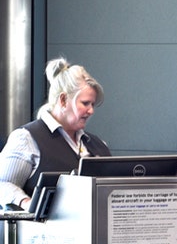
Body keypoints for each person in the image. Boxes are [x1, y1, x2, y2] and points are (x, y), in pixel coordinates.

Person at [1, 58, 111, 208]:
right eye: (85, 103)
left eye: (92, 104)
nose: (91, 110)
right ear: (64, 100)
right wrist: (27, 203)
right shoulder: (26, 138)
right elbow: (3, 184)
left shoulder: (98, 145)